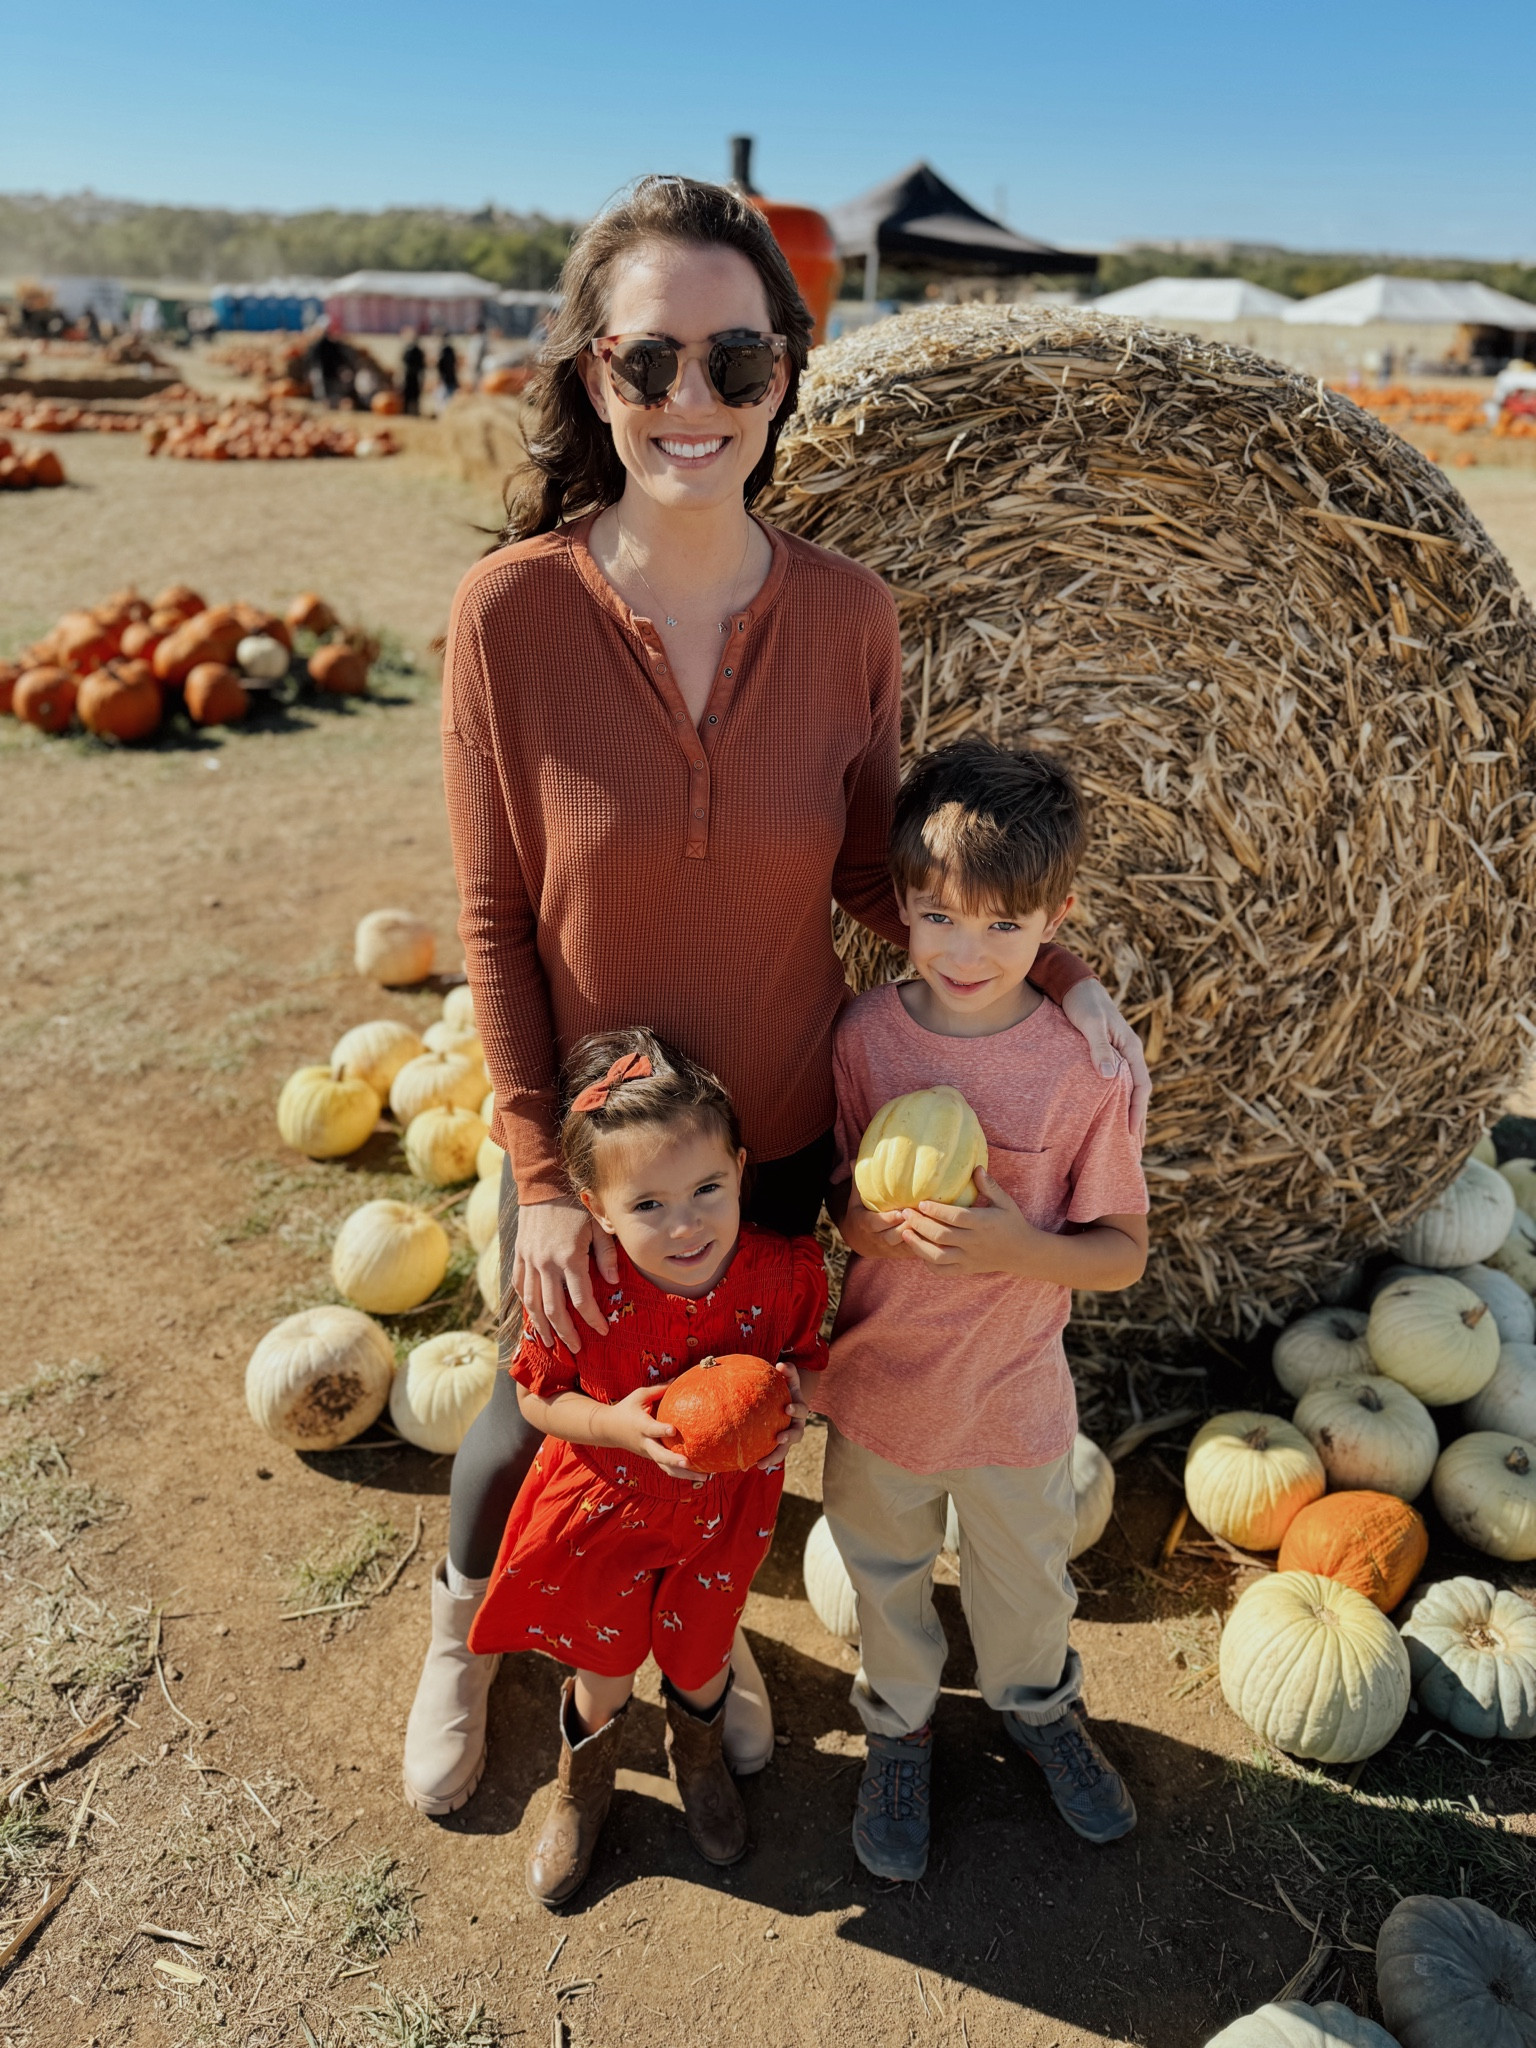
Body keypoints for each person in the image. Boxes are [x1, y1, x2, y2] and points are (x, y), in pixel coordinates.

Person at [404, 173, 1150, 1821]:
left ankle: (692, 1640)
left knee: (733, 1419)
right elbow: (492, 909)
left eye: (734, 365)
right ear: (593, 376)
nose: (692, 402)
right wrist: (534, 1174)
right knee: (537, 1416)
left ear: (787, 375)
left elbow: (880, 880)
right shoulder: (509, 612)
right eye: (649, 361)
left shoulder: (845, 612)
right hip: (595, 1148)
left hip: (788, 1131)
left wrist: (1065, 967)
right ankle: (462, 1627)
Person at [818, 738, 1149, 1883]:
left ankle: (1037, 1704)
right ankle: (901, 1723)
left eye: (1006, 927)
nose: (968, 950)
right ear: (899, 904)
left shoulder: (1082, 1070)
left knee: (1026, 1580)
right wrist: (868, 1221)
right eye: (938, 917)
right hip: (879, 1386)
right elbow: (838, 1210)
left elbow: (1123, 1252)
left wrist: (1022, 1246)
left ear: (1057, 917)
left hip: (1013, 1394)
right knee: (884, 1568)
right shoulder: (863, 1037)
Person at [467, 1028, 824, 1905]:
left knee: (702, 1660)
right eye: (650, 1205)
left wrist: (795, 1406)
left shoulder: (781, 1273)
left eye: (707, 1188)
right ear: (595, 1208)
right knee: (603, 1666)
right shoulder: (587, 1290)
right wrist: (613, 1426)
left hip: (721, 1518)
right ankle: (583, 1787)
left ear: (742, 1169)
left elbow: (809, 1360)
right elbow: (536, 1397)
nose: (687, 1222)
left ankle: (695, 1760)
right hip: (609, 1510)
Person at [401, 330, 425, 415]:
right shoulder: (416, 350)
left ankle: (409, 411)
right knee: (412, 395)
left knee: (412, 395)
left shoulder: (410, 350)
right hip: (411, 376)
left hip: (411, 375)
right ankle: (410, 411)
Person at [436, 333, 459, 408]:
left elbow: (440, 365)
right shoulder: (450, 350)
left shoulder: (443, 350)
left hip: (446, 376)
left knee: (445, 395)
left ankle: (446, 409)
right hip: (450, 375)